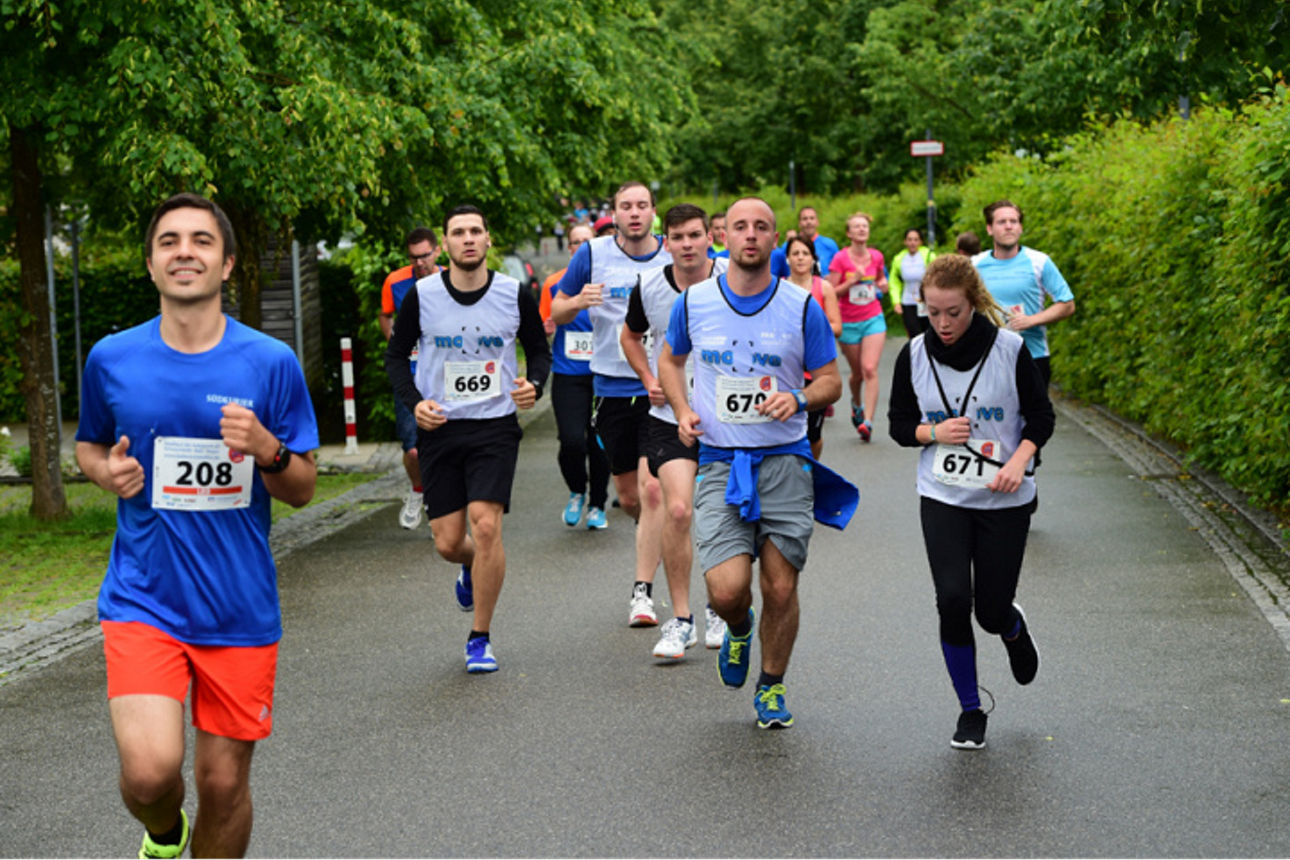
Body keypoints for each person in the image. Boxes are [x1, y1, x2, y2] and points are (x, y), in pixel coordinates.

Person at [75, 192, 319, 858]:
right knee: (150, 774)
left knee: (223, 787)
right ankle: (161, 833)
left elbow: (301, 486)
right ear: (151, 265)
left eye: (202, 241)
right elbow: (89, 444)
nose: (185, 251)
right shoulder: (112, 359)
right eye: (169, 241)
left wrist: (268, 448)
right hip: (142, 598)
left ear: (228, 264)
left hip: (237, 606)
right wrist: (105, 474)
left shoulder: (271, 364)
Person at [659, 196, 853, 730]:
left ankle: (771, 685)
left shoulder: (801, 305)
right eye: (740, 226)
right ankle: (739, 629)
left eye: (761, 227)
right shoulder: (694, 301)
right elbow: (670, 359)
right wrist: (681, 409)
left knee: (781, 587)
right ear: (727, 236)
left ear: (775, 239)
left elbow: (831, 379)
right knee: (725, 590)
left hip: (786, 460)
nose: (750, 235)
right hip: (721, 460)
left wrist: (800, 397)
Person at [887, 254, 1052, 750]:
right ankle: (970, 709)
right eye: (932, 312)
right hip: (944, 494)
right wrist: (931, 431)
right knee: (954, 600)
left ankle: (1011, 627)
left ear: (973, 303)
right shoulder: (913, 354)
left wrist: (1019, 460)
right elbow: (898, 425)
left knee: (990, 610)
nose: (942, 324)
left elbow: (1041, 419)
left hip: (1005, 498)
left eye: (952, 312)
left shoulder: (1009, 349)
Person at [385, 204, 552, 673]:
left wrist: (533, 384)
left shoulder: (512, 293)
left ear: (488, 239)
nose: (468, 239)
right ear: (445, 244)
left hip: (494, 425)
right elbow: (396, 357)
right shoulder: (422, 295)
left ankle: (480, 637)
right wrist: (416, 400)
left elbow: (539, 352)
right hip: (439, 427)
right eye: (458, 232)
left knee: (486, 525)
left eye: (476, 231)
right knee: (447, 541)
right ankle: (470, 566)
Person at [551, 181, 672, 626]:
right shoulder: (592, 254)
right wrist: (577, 301)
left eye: (642, 205)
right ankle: (658, 535)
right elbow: (557, 311)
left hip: (662, 388)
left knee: (655, 488)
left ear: (654, 212)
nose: (635, 213)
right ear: (615, 213)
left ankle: (643, 591)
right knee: (630, 496)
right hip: (612, 386)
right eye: (626, 206)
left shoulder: (672, 252)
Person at [621, 203, 729, 658]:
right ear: (666, 242)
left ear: (709, 238)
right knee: (679, 510)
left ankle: (720, 609)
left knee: (723, 518)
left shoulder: (731, 278)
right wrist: (650, 380)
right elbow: (630, 336)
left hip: (726, 422)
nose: (686, 245)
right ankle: (682, 618)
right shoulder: (648, 286)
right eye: (677, 237)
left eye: (694, 236)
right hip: (669, 418)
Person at [539, 223, 610, 529]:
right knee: (571, 441)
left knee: (599, 442)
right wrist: (546, 327)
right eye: (575, 242)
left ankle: (597, 505)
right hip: (568, 373)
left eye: (586, 241)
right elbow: (546, 319)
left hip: (605, 374)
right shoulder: (555, 284)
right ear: (569, 248)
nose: (581, 246)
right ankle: (576, 490)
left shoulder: (610, 281)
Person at [972, 200, 1075, 385]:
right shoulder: (975, 265)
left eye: (1014, 221)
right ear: (989, 229)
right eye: (1002, 222)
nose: (1009, 226)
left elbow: (1067, 304)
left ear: (1020, 228)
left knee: (1035, 414)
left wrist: (1032, 320)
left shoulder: (1039, 261)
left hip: (1032, 356)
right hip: (987, 356)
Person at [380, 227, 442, 530]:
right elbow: (385, 314)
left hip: (443, 375)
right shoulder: (395, 281)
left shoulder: (451, 279)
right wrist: (397, 346)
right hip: (411, 374)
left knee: (443, 442)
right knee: (413, 448)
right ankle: (419, 490)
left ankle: (440, 503)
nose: (420, 263)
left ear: (437, 252)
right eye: (414, 258)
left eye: (425, 256)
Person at [827, 211, 889, 442]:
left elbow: (881, 279)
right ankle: (856, 403)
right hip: (849, 323)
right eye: (857, 226)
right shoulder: (840, 259)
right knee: (857, 374)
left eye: (865, 226)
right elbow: (830, 292)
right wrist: (851, 281)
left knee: (870, 368)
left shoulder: (876, 256)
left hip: (873, 317)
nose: (862, 229)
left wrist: (883, 285)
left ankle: (868, 422)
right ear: (849, 233)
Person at [784, 235, 842, 460]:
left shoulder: (824, 287)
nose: (800, 258)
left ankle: (811, 467)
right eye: (795, 253)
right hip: (786, 369)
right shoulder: (778, 287)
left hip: (815, 370)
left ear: (813, 258)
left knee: (812, 432)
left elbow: (837, 327)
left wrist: (810, 327)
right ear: (787, 258)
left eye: (805, 253)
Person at [889, 228, 935, 338]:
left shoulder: (929, 256)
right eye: (909, 240)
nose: (912, 243)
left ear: (920, 242)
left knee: (930, 334)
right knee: (914, 336)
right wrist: (896, 302)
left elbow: (938, 277)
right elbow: (894, 282)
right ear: (905, 242)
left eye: (915, 240)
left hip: (927, 302)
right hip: (908, 302)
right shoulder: (899, 259)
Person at [795, 205, 840, 274]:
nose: (808, 222)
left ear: (817, 222)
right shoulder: (790, 246)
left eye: (812, 218)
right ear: (799, 223)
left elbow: (838, 271)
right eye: (805, 219)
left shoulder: (830, 244)